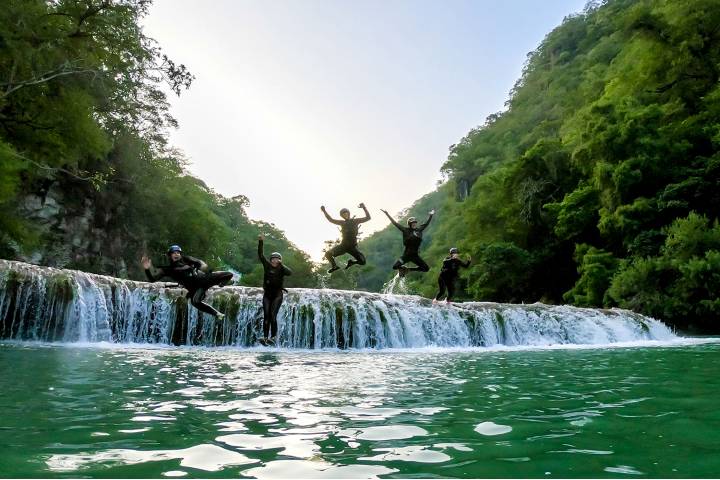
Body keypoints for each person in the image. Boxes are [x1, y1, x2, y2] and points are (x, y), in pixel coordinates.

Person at [141, 245, 233, 320]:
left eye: (178, 253)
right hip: (195, 288)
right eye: (174, 253)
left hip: (203, 279)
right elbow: (152, 279)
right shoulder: (167, 270)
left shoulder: (186, 259)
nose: (176, 254)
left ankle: (222, 283)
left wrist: (202, 265)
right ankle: (217, 314)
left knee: (228, 274)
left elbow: (199, 262)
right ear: (170, 255)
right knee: (195, 302)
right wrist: (147, 269)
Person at [258, 234, 292, 346]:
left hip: (277, 295)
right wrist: (261, 242)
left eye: (277, 259)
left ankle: (273, 337)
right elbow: (260, 255)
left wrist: (281, 265)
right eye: (273, 259)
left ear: (280, 260)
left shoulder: (281, 268)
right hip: (267, 295)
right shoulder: (267, 266)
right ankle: (265, 337)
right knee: (266, 316)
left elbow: (290, 272)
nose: (274, 261)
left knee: (273, 315)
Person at [381, 208, 435, 276]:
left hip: (415, 256)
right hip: (406, 255)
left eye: (415, 223)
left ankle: (408, 270)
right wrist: (387, 214)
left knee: (426, 268)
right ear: (409, 224)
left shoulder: (419, 230)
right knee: (395, 266)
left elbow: (426, 224)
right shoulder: (405, 230)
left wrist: (431, 215)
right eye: (412, 223)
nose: (414, 224)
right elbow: (395, 223)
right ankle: (402, 269)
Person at [321, 203, 371, 273]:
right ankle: (334, 266)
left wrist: (364, 208)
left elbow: (368, 218)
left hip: (352, 247)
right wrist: (324, 211)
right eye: (343, 214)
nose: (345, 215)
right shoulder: (342, 223)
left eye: (346, 213)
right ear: (342, 216)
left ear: (349, 213)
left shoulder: (355, 221)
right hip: (343, 246)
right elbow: (331, 219)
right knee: (327, 254)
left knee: (362, 262)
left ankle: (352, 262)